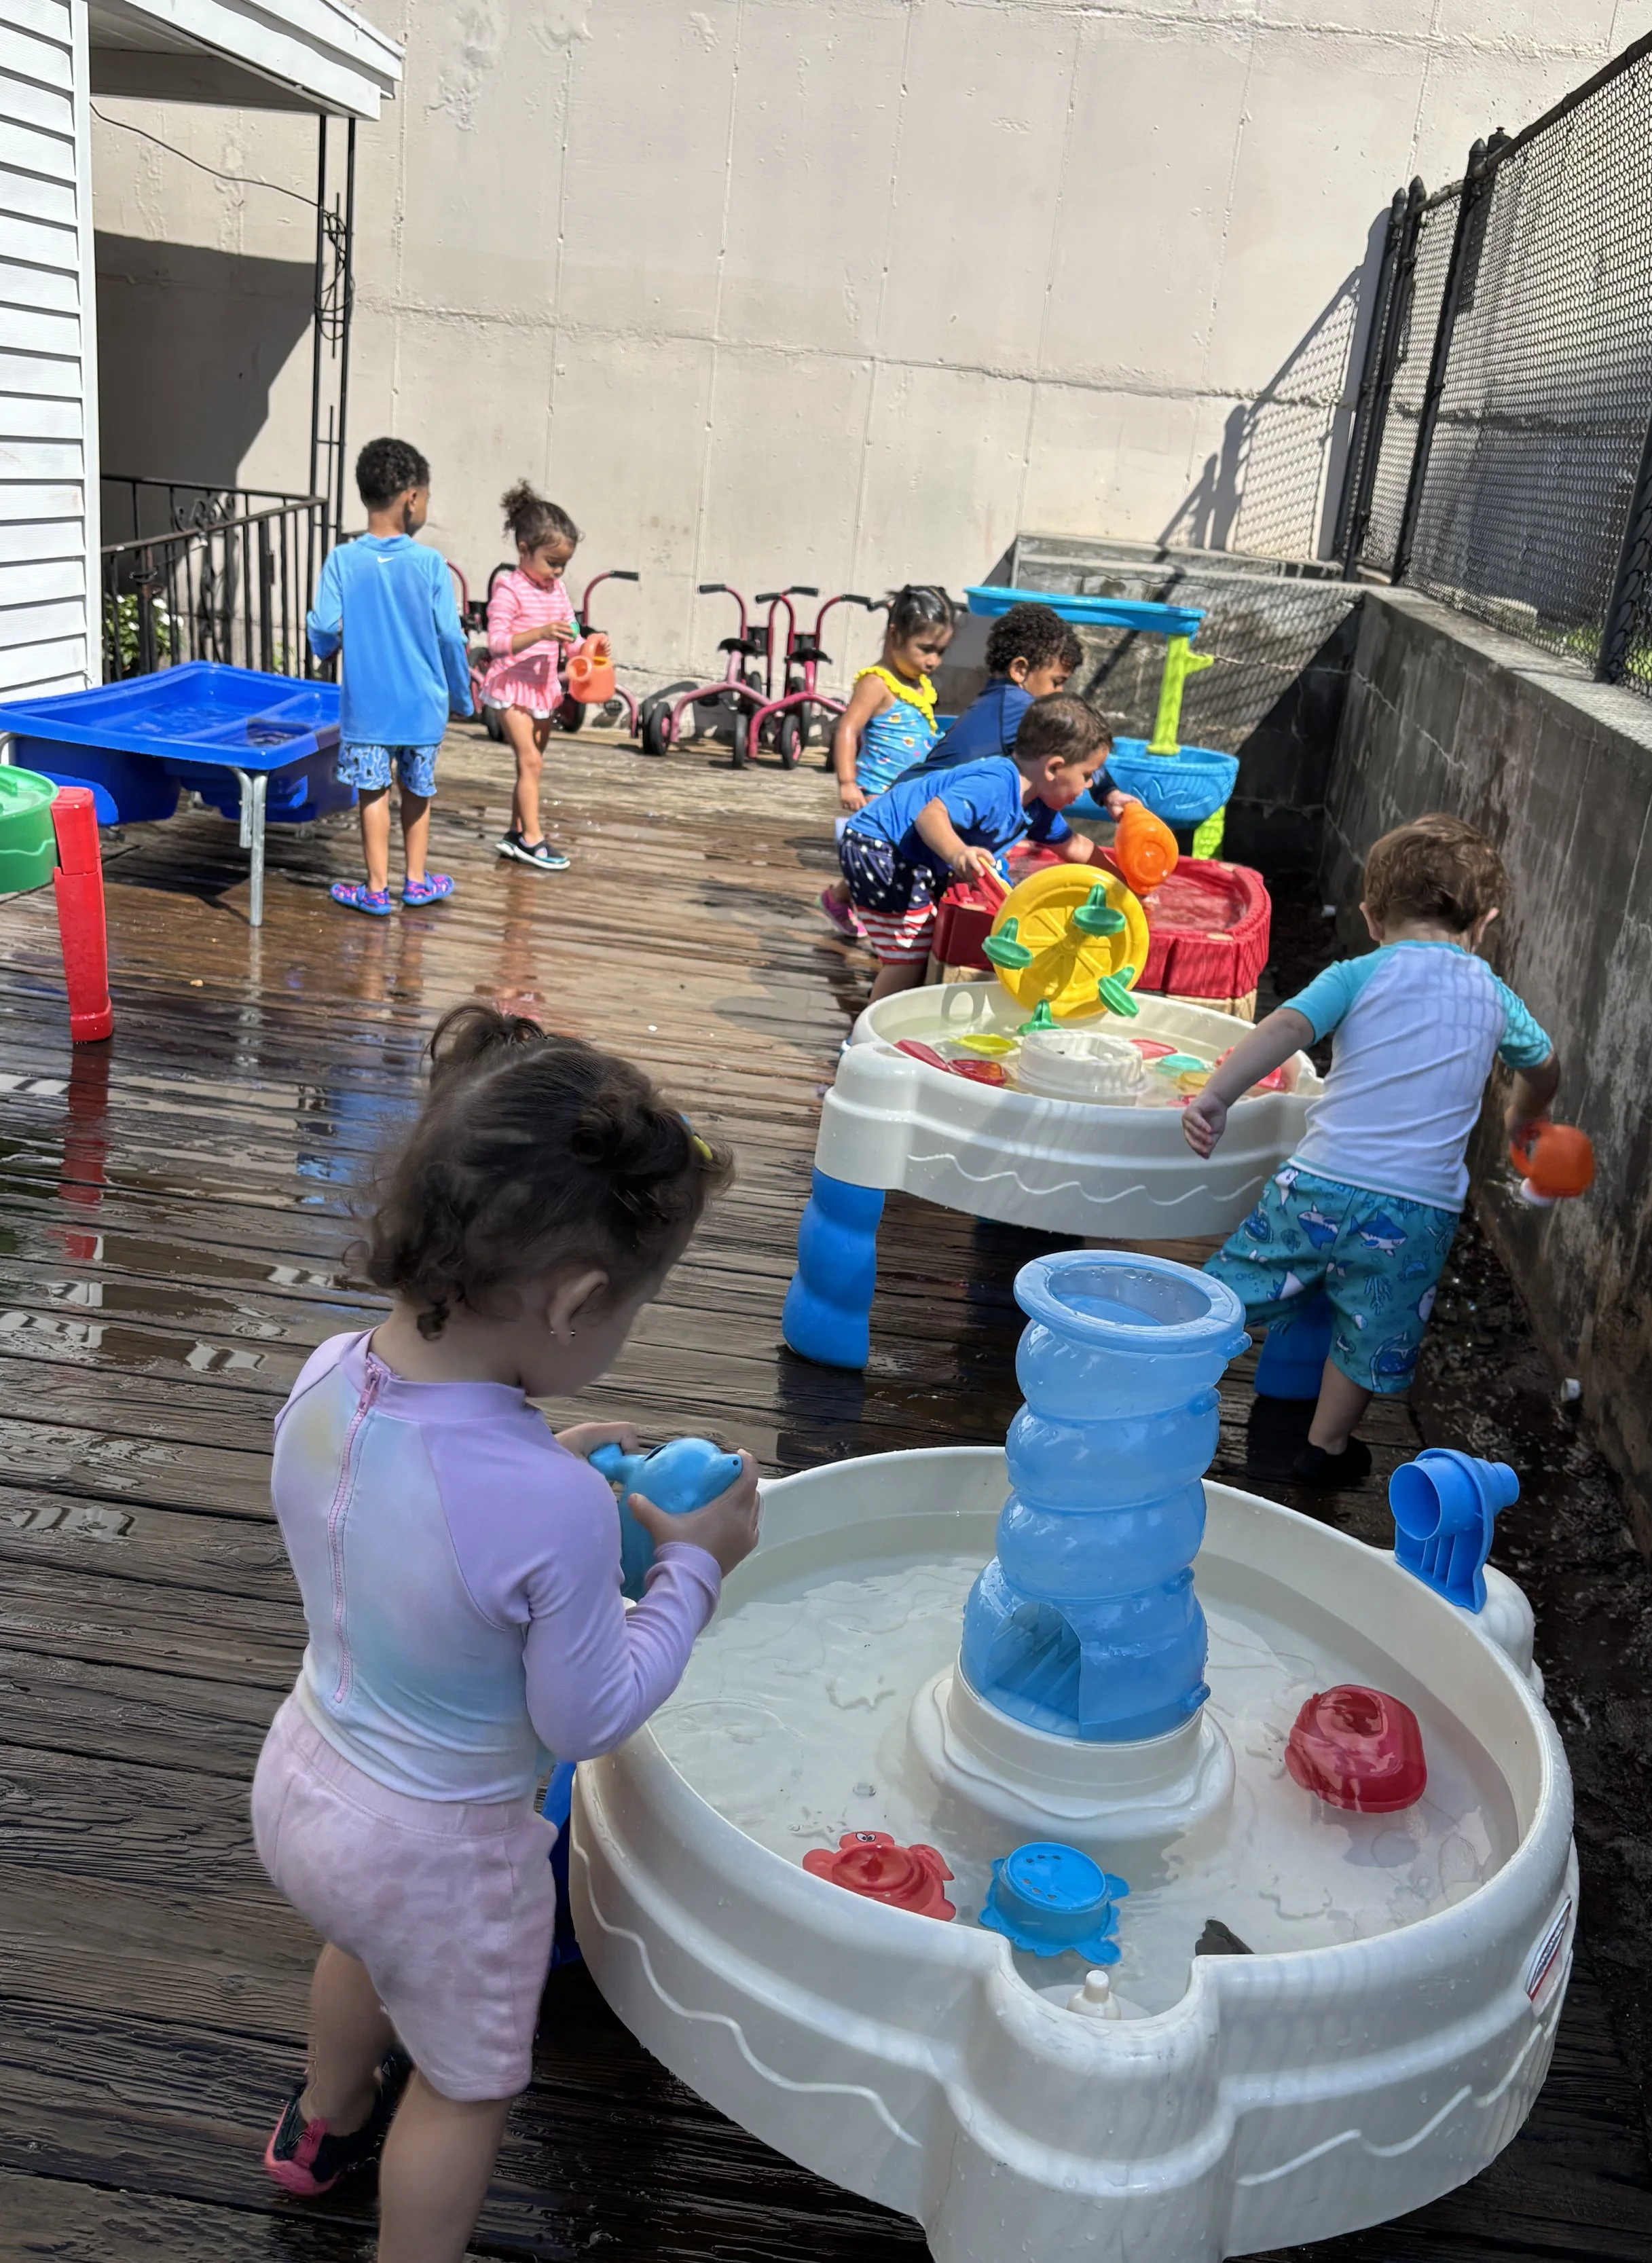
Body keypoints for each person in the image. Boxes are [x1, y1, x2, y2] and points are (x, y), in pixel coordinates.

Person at [252, 1005, 760, 2262]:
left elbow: (409, 1511)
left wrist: (541, 1462)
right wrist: (692, 1566)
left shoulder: (326, 1375)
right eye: (632, 1309)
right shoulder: (544, 1510)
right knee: (468, 2084)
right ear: (576, 1299)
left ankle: (320, 2126)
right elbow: (585, 1716)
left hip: (308, 1781)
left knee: (360, 1947)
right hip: (441, 1850)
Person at [1183, 815, 1560, 1487]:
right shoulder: (1496, 996)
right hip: (1416, 1210)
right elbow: (1545, 1065)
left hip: (1319, 1185)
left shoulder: (1358, 973)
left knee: (1236, 1287)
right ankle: (1323, 1446)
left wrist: (1216, 1098)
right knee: (1369, 1326)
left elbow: (1286, 1028)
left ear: (1370, 916)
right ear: (1485, 923)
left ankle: (1168, 1373)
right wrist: (1521, 1116)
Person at [836, 692, 1117, 1001]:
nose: (1090, 786)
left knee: (919, 940)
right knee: (909, 956)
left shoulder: (1038, 807)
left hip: (904, 854)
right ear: (1053, 768)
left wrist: (1126, 888)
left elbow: (1077, 848)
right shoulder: (995, 784)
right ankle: (869, 1037)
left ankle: (893, 995)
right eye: (1087, 776)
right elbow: (930, 817)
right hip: (878, 845)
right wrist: (959, 853)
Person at [308, 437, 473, 917]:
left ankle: (377, 889)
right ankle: (417, 881)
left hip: (367, 709)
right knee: (418, 790)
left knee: (372, 793)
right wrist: (461, 696)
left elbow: (321, 624)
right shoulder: (430, 565)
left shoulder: (343, 560)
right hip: (422, 706)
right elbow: (449, 636)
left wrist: (328, 647)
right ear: (412, 498)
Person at [908, 598, 1136, 820]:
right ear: (1020, 670)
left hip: (918, 805)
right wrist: (1109, 794)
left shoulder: (998, 702)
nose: (1059, 693)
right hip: (912, 812)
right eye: (1056, 682)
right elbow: (1078, 745)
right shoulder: (1017, 705)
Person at [819, 587, 954, 940]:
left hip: (906, 789)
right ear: (895, 634)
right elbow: (848, 728)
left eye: (940, 652)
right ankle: (867, 910)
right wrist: (848, 782)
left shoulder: (919, 684)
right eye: (925, 649)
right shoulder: (877, 683)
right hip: (876, 789)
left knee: (896, 854)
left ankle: (844, 900)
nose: (933, 661)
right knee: (885, 855)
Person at [482, 481, 582, 872]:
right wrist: (540, 634)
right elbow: (497, 643)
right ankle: (534, 840)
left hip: (543, 690)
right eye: (551, 562)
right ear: (524, 550)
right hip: (510, 685)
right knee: (531, 762)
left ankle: (515, 831)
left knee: (531, 763)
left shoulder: (556, 590)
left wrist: (588, 649)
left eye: (563, 565)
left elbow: (571, 633)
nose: (557, 571)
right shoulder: (510, 589)